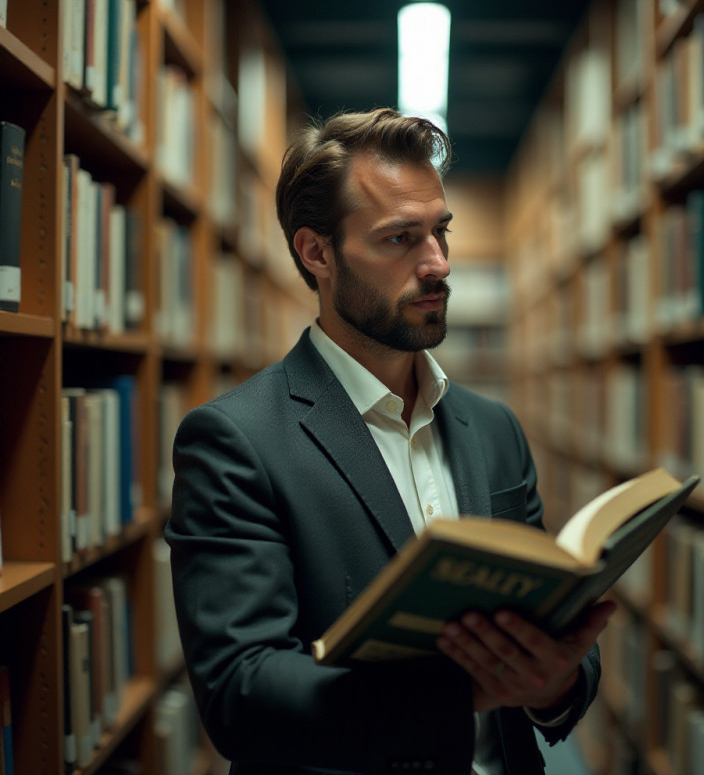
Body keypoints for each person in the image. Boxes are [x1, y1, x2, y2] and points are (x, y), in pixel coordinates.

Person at [165, 108, 614, 775]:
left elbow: (541, 626)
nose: (438, 266)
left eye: (441, 232)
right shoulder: (236, 441)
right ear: (316, 253)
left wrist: (553, 682)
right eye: (400, 239)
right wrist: (458, 693)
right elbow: (243, 691)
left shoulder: (493, 429)